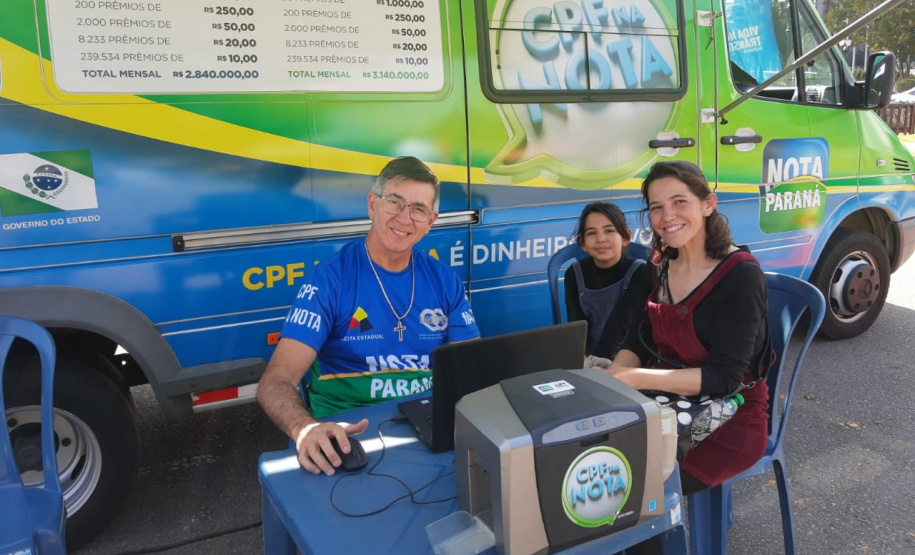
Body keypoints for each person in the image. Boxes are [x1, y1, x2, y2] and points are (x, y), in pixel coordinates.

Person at [257, 156, 480, 476]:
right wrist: (305, 429)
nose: (405, 218)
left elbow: (469, 366)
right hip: (351, 434)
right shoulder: (329, 282)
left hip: (430, 422)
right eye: (395, 202)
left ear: (431, 221)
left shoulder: (445, 280)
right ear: (372, 205)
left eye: (418, 209)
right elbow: (276, 382)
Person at [606, 160, 769, 495]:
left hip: (730, 419)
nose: (667, 217)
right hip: (664, 401)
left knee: (632, 490)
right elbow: (639, 334)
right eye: (656, 207)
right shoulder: (660, 264)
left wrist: (635, 379)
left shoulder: (740, 274)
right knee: (594, 463)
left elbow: (725, 377)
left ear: (708, 204)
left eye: (680, 202)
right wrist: (617, 375)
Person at [563, 202, 652, 362]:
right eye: (591, 233)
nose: (601, 239)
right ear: (582, 243)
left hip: (628, 358)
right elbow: (577, 326)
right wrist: (585, 361)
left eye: (609, 231)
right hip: (589, 359)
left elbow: (621, 324)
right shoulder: (574, 274)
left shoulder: (640, 272)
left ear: (626, 237)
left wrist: (601, 364)